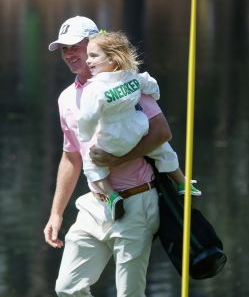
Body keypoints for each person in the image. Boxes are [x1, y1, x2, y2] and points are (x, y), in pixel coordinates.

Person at [43, 16, 173, 297]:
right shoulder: (66, 98)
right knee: (68, 288)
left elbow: (162, 132)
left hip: (136, 202)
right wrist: (56, 213)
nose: (69, 54)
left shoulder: (127, 84)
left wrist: (118, 160)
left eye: (75, 46)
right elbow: (71, 157)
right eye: (64, 49)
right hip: (95, 204)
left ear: (94, 44)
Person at [77, 30, 201, 221]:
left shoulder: (94, 88)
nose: (88, 61)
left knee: (91, 164)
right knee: (162, 150)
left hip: (113, 140)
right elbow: (150, 84)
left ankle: (112, 196)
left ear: (112, 59)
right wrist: (156, 94)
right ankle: (182, 182)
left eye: (93, 56)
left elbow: (87, 117)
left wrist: (85, 136)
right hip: (138, 131)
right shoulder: (132, 77)